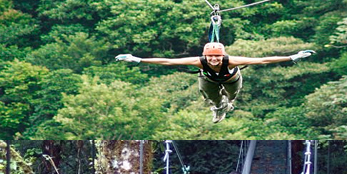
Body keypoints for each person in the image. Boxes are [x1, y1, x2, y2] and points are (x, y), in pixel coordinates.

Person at [115, 42, 315, 123]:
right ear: (205, 57)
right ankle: (219, 107)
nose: (214, 60)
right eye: (210, 58)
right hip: (209, 79)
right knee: (210, 95)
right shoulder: (200, 62)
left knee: (232, 94)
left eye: (217, 58)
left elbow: (262, 60)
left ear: (223, 56)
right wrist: (138, 59)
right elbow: (168, 61)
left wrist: (292, 57)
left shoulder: (232, 61)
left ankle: (226, 104)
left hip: (231, 78)